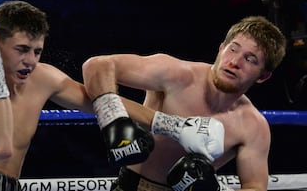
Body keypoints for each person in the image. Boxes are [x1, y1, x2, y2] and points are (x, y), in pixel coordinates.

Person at [0, 0, 221, 191]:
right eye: (21, 50)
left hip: (11, 184)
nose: (30, 61)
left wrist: (172, 125)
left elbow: (102, 102)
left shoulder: (42, 77)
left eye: (37, 51)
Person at [82, 15, 287, 191]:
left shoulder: (253, 126)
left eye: (250, 59)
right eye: (233, 50)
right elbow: (98, 66)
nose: (235, 62)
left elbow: (255, 186)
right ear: (221, 48)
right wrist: (113, 119)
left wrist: (216, 189)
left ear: (263, 77)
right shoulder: (177, 75)